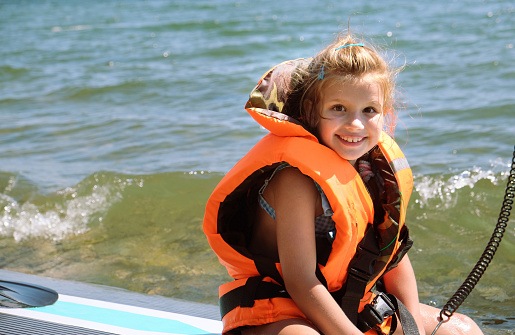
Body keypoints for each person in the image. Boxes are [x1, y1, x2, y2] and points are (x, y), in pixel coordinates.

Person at [203, 33, 484, 335]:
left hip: (350, 305)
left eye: (369, 111)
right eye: (339, 108)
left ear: (384, 112)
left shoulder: (372, 171)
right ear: (312, 110)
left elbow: (393, 260)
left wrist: (413, 328)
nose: (355, 124)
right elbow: (301, 282)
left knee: (460, 329)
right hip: (282, 312)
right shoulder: (294, 181)